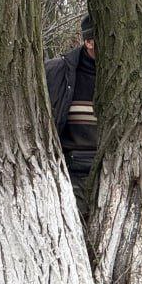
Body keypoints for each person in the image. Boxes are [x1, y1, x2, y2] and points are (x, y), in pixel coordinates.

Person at [45, 14, 99, 221]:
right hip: (71, 170)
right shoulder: (58, 72)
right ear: (89, 42)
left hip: (111, 169)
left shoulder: (123, 74)